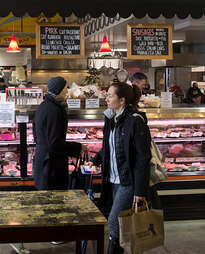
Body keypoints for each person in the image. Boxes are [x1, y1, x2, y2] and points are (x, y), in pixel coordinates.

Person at [86, 82, 152, 254]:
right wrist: (94, 161)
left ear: (122, 100)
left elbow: (143, 158)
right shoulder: (111, 119)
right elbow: (108, 147)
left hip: (128, 181)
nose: (106, 98)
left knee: (114, 224)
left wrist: (140, 191)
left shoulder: (135, 121)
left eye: (110, 96)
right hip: (113, 180)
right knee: (120, 224)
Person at [33, 76, 85, 190]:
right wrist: (78, 147)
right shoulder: (54, 110)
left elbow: (36, 136)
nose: (67, 92)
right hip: (51, 167)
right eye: (65, 89)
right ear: (59, 90)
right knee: (54, 202)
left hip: (43, 162)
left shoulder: (43, 106)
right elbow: (54, 143)